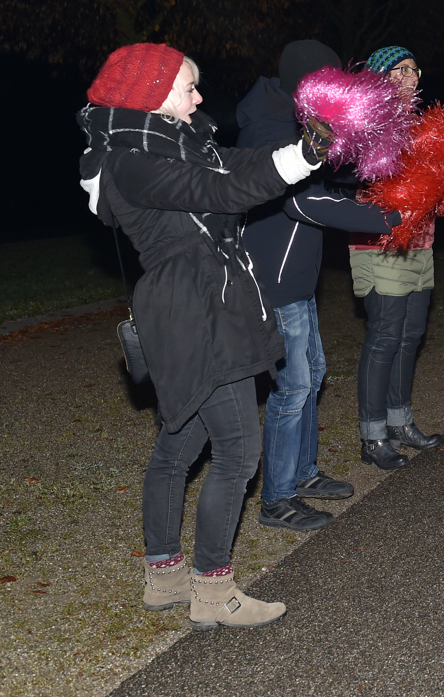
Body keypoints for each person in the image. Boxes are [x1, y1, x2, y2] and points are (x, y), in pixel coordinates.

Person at [78, 43, 333, 629]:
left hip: (204, 302)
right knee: (240, 450)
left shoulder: (180, 142)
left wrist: (304, 152)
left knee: (180, 444)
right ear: (151, 94)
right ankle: (213, 593)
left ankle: (164, 578)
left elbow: (238, 166)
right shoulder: (129, 159)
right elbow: (216, 192)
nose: (198, 98)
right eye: (187, 88)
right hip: (194, 310)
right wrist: (294, 163)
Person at [237, 40, 404, 531]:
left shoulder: (302, 120)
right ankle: (277, 499)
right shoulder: (269, 128)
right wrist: (385, 216)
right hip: (276, 279)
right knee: (293, 387)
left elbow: (330, 176)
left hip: (300, 278)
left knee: (312, 371)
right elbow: (303, 202)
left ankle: (303, 473)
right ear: (309, 79)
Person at [349, 46, 444, 470]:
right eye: (398, 70)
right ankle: (372, 437)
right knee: (385, 336)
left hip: (421, 245)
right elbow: (347, 180)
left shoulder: (422, 127)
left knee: (410, 335)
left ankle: (400, 423)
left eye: (413, 69)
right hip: (380, 245)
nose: (408, 77)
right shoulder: (363, 126)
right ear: (376, 77)